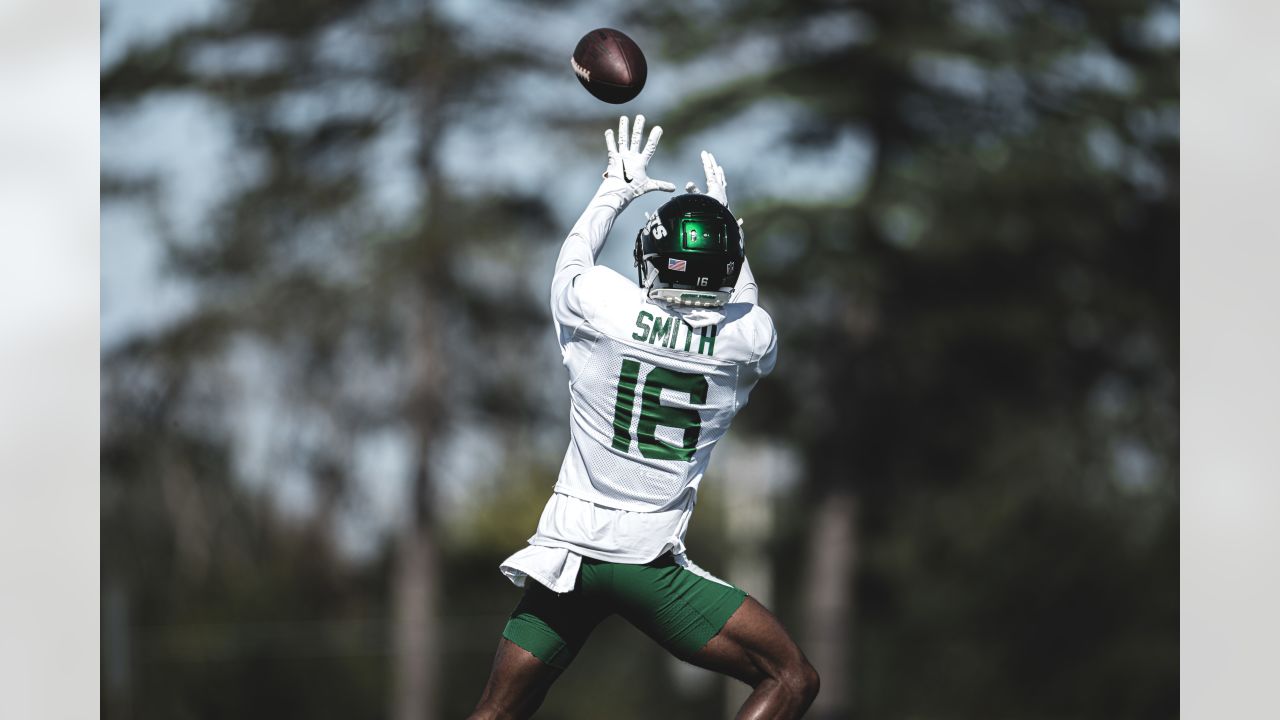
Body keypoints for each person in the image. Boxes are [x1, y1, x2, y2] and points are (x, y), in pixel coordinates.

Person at [467, 115, 819, 720]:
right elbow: (743, 302)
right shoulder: (749, 343)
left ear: (652, 259)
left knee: (496, 714)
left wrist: (615, 188)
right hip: (646, 564)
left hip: (567, 552)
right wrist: (726, 231)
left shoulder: (604, 305)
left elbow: (571, 262)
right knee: (791, 678)